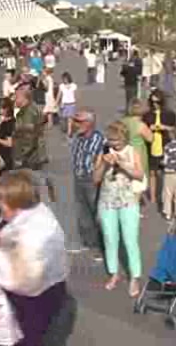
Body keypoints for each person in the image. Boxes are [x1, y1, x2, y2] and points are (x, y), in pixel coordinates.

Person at [0, 169, 68, 346]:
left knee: (26, 338)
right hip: (49, 290)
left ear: (16, 204)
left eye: (3, 203)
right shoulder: (39, 213)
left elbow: (20, 275)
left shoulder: (32, 233)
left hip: (30, 301)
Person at [93, 121, 144, 297]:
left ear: (123, 138)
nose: (112, 143)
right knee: (109, 238)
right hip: (107, 201)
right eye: (110, 140)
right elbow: (96, 178)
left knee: (130, 240)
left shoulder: (131, 151)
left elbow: (139, 174)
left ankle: (135, 277)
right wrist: (104, 164)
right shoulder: (104, 151)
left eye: (115, 140)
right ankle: (114, 273)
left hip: (128, 201)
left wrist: (121, 164)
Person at [70, 109, 105, 257]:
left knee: (97, 213)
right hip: (79, 177)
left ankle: (101, 246)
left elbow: (103, 160)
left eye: (80, 121)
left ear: (89, 123)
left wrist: (98, 177)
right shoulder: (78, 137)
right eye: (76, 121)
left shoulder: (100, 139)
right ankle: (88, 243)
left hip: (92, 180)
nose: (76, 124)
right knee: (83, 212)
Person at [142, 89, 176, 208]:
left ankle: (165, 196)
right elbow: (143, 129)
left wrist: (164, 127)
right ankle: (152, 196)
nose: (154, 105)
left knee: (166, 172)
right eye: (152, 102)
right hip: (151, 145)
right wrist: (148, 129)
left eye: (157, 102)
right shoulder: (147, 115)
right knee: (152, 172)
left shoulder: (170, 114)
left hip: (165, 144)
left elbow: (175, 129)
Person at [121, 99, 153, 180]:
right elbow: (150, 139)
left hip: (124, 151)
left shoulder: (123, 121)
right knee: (139, 177)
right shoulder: (141, 125)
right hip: (138, 151)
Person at [0, 97, 16, 175]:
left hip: (6, 157)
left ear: (8, 109)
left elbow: (10, 143)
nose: (0, 111)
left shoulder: (8, 124)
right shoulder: (9, 121)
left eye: (2, 108)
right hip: (3, 155)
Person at [56, 72, 78, 138]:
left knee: (70, 118)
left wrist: (76, 101)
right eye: (63, 79)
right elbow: (59, 95)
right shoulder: (61, 86)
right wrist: (56, 102)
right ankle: (68, 128)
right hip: (64, 104)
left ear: (68, 78)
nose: (65, 80)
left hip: (71, 103)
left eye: (66, 79)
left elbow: (75, 94)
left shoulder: (74, 85)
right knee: (64, 117)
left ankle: (69, 131)